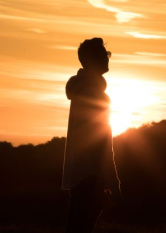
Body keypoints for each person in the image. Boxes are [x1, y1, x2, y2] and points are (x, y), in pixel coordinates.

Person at [62, 38, 121, 233]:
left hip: (79, 173)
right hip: (91, 174)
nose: (108, 58)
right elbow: (102, 141)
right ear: (93, 59)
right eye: (104, 55)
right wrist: (112, 182)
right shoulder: (95, 94)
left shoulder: (81, 89)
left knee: (76, 227)